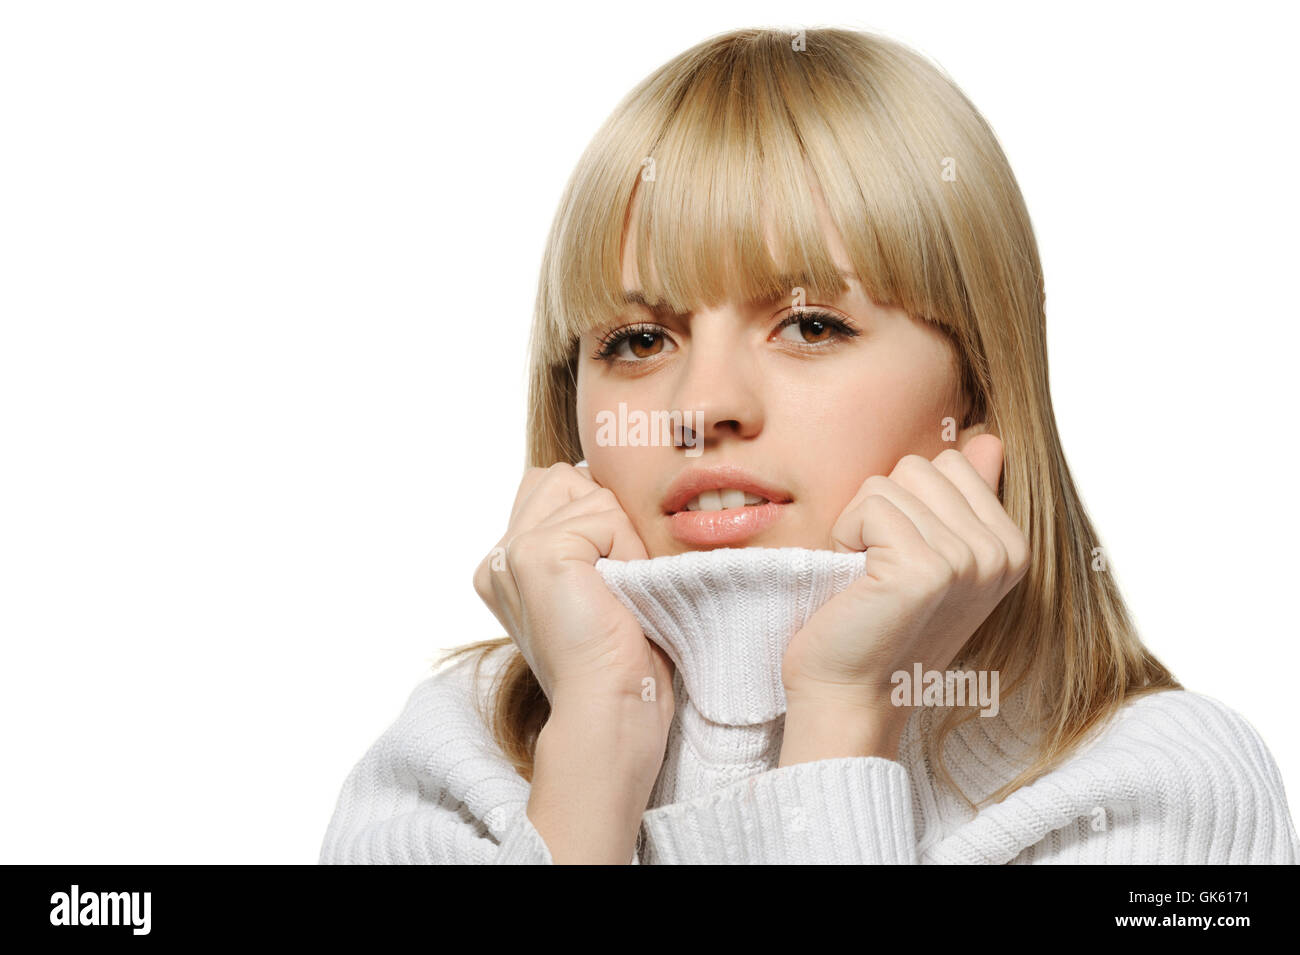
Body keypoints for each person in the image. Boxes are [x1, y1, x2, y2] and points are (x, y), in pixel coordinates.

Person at [318, 26, 1299, 864]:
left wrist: (840, 717)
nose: (701, 406)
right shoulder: (451, 757)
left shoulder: (1151, 786)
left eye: (810, 326)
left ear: (979, 380)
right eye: (639, 340)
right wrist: (591, 755)